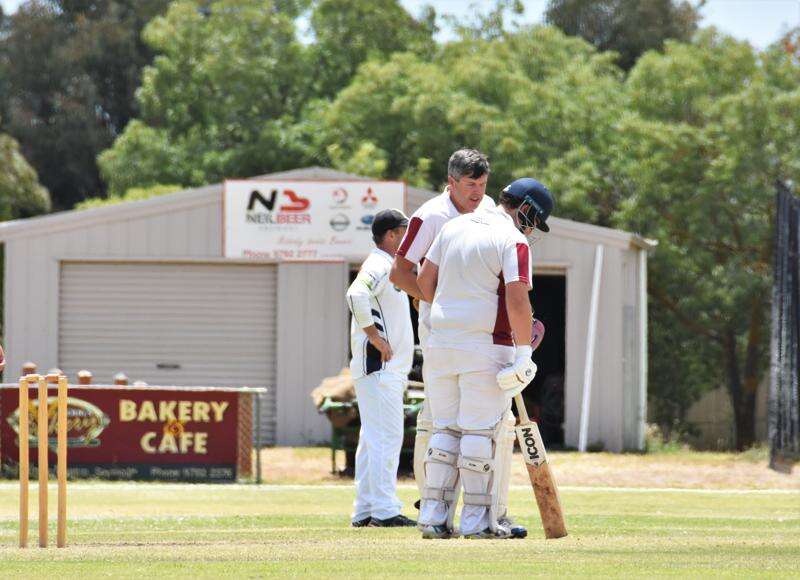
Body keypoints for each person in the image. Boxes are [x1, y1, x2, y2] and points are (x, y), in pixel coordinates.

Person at [389, 148, 526, 538]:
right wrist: (447, 304)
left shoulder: (482, 216)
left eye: (482, 184)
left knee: (469, 429)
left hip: (456, 334)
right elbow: (400, 272)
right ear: (450, 182)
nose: (477, 193)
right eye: (469, 185)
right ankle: (451, 511)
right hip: (450, 334)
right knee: (450, 427)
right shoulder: (432, 216)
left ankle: (478, 512)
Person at [415, 177, 554, 539]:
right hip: (486, 345)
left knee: (444, 430)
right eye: (534, 221)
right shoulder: (512, 239)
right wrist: (523, 353)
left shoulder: (453, 227)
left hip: (440, 344)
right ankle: (477, 522)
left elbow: (424, 284)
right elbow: (517, 298)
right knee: (479, 433)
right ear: (526, 209)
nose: (531, 230)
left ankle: (433, 518)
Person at [346, 208, 416, 528]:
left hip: (385, 371)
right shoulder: (379, 263)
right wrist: (374, 337)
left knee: (372, 439)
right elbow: (356, 293)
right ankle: (385, 510)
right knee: (386, 437)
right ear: (391, 235)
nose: (408, 237)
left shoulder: (390, 265)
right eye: (404, 231)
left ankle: (365, 509)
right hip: (380, 368)